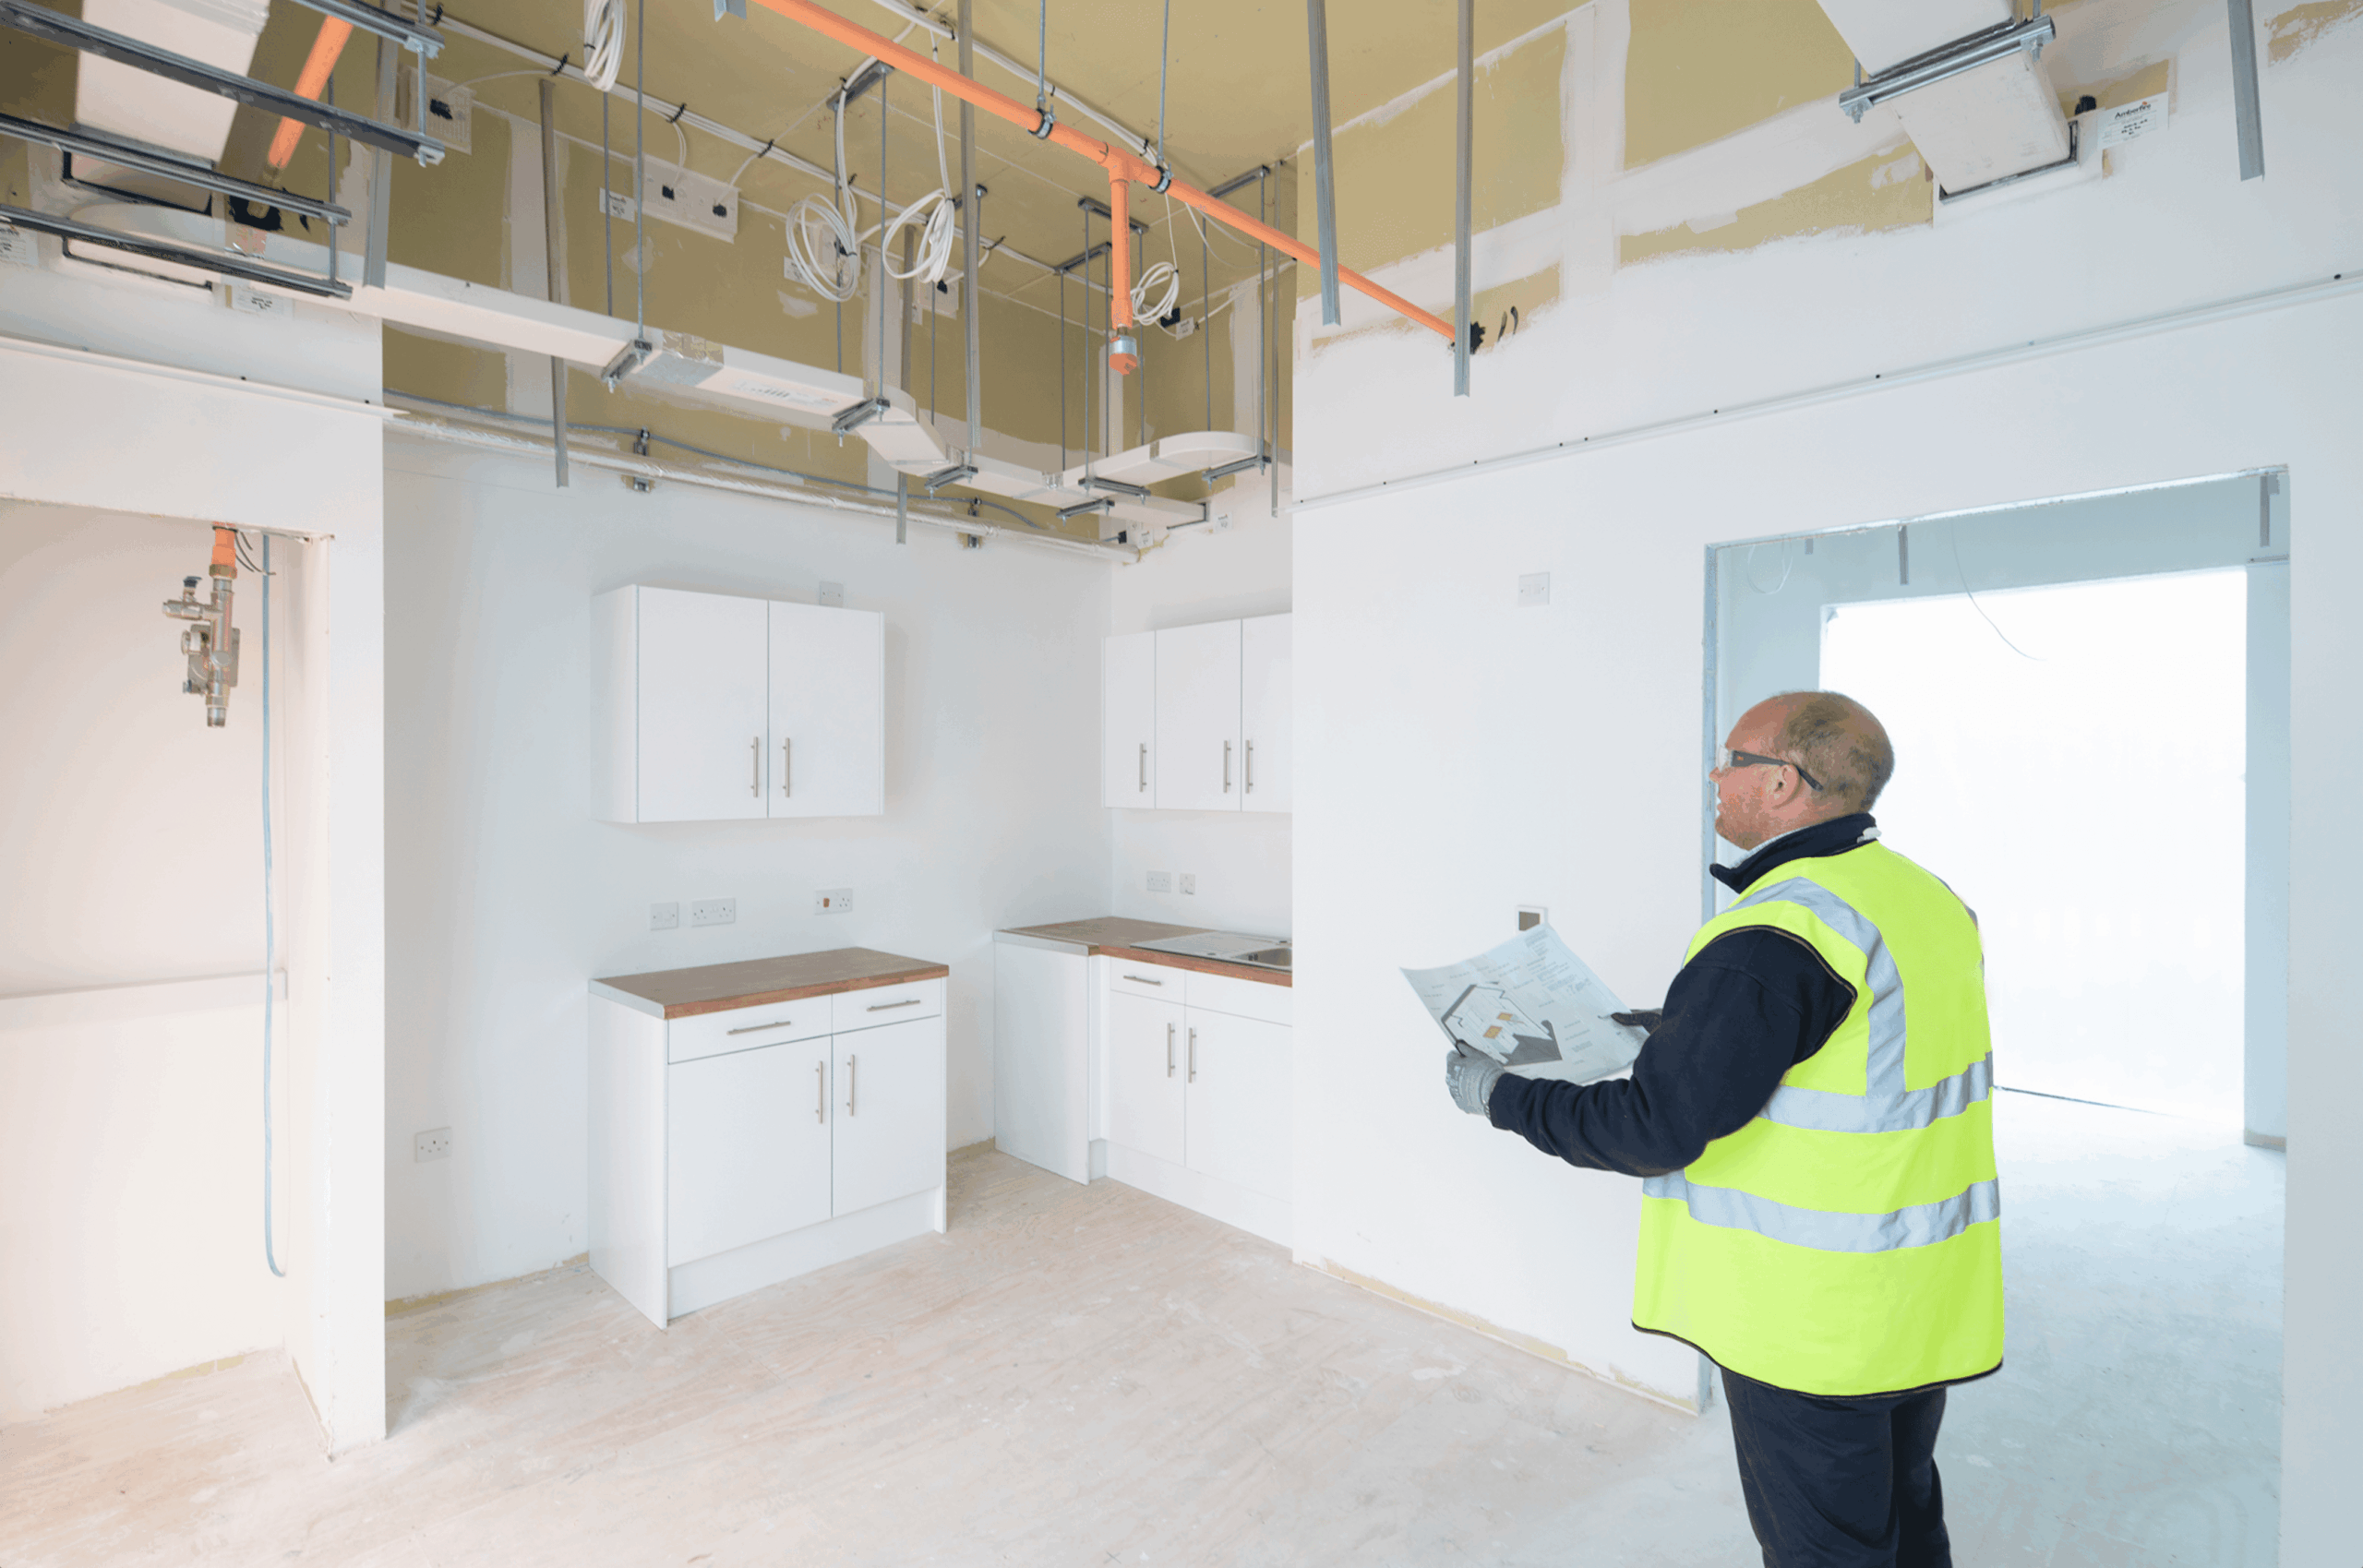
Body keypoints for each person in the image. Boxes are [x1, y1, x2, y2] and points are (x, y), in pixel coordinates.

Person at [1444, 691, 2000, 1568]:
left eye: (1732, 759)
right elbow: (1853, 1039)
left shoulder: (1777, 932)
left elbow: (1653, 1125)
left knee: (1828, 1551)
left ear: (1783, 782)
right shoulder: (1920, 898)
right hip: (1914, 1298)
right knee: (1903, 1518)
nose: (1715, 774)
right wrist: (1680, 1027)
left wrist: (1502, 1096)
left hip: (1812, 1320)